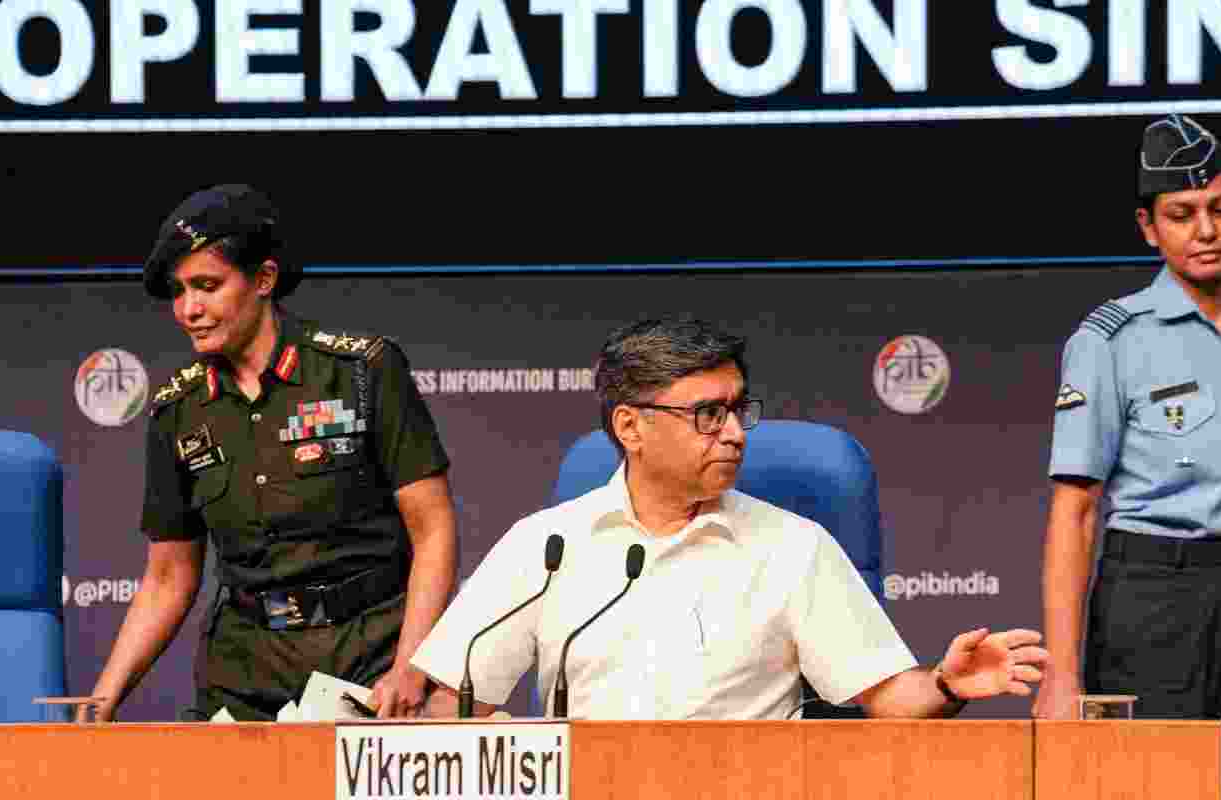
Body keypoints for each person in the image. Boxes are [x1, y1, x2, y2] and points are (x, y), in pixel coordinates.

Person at [411, 317, 1047, 719]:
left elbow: (889, 698)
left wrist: (947, 683)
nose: (736, 433)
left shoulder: (794, 547)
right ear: (630, 426)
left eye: (740, 410)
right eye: (708, 415)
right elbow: (455, 704)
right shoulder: (545, 546)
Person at [82, 184, 458, 721]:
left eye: (207, 286)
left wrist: (412, 665)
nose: (189, 308)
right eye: (179, 290)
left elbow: (433, 528)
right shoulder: (177, 410)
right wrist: (103, 698)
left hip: (370, 660)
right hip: (243, 675)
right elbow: (168, 575)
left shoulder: (362, 370)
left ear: (263, 279)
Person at [1032, 115, 1221, 721]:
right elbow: (1076, 512)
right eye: (1181, 213)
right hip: (1156, 601)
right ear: (1149, 226)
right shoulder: (1110, 340)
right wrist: (1061, 676)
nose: (1205, 230)